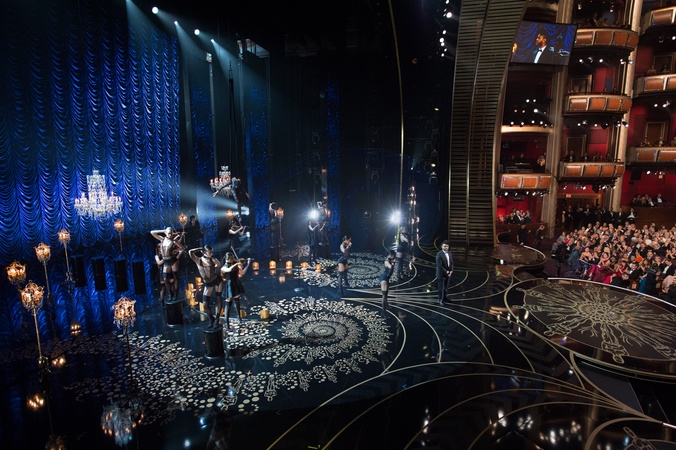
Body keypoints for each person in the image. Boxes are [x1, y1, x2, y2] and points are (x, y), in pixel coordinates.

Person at [188, 245, 223, 329]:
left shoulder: (213, 259)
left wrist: (217, 264)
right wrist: (200, 248)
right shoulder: (198, 260)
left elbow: (218, 264)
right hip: (208, 283)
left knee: (219, 299)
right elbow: (190, 252)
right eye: (209, 252)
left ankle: (217, 319)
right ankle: (212, 319)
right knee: (205, 304)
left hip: (216, 280)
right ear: (203, 252)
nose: (211, 254)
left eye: (212, 252)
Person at [151, 227, 186, 301]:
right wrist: (163, 230)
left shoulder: (174, 240)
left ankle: (175, 295)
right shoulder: (162, 239)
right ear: (166, 233)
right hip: (166, 260)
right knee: (165, 279)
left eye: (171, 233)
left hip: (172, 260)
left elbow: (182, 248)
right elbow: (152, 232)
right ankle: (170, 294)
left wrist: (175, 250)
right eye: (169, 233)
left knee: (176, 277)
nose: (170, 234)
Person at [220, 252, 251, 329]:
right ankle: (226, 321)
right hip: (229, 285)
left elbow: (242, 273)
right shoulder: (224, 267)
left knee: (237, 301)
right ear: (227, 259)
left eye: (233, 258)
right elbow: (229, 269)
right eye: (232, 258)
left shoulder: (235, 265)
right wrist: (236, 264)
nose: (233, 259)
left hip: (236, 283)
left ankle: (239, 317)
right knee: (228, 304)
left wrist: (248, 264)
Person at [436, 240, 454, 305]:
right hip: (441, 274)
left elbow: (451, 262)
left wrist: (451, 270)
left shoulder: (449, 253)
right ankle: (440, 299)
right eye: (445, 246)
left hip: (448, 273)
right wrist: (447, 271)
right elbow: (439, 266)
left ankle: (445, 298)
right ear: (441, 246)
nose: (446, 247)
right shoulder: (439, 254)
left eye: (447, 246)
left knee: (446, 287)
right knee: (441, 288)